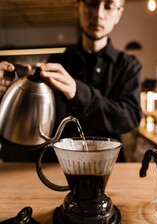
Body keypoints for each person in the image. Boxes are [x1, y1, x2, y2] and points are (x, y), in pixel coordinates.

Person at [0, 0, 142, 162]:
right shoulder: (57, 61)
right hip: (57, 167)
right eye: (91, 4)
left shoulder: (129, 66)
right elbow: (38, 121)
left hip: (109, 167)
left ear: (118, 14)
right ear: (77, 8)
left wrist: (78, 92)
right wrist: (9, 86)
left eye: (108, 6)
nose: (98, 14)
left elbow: (129, 118)